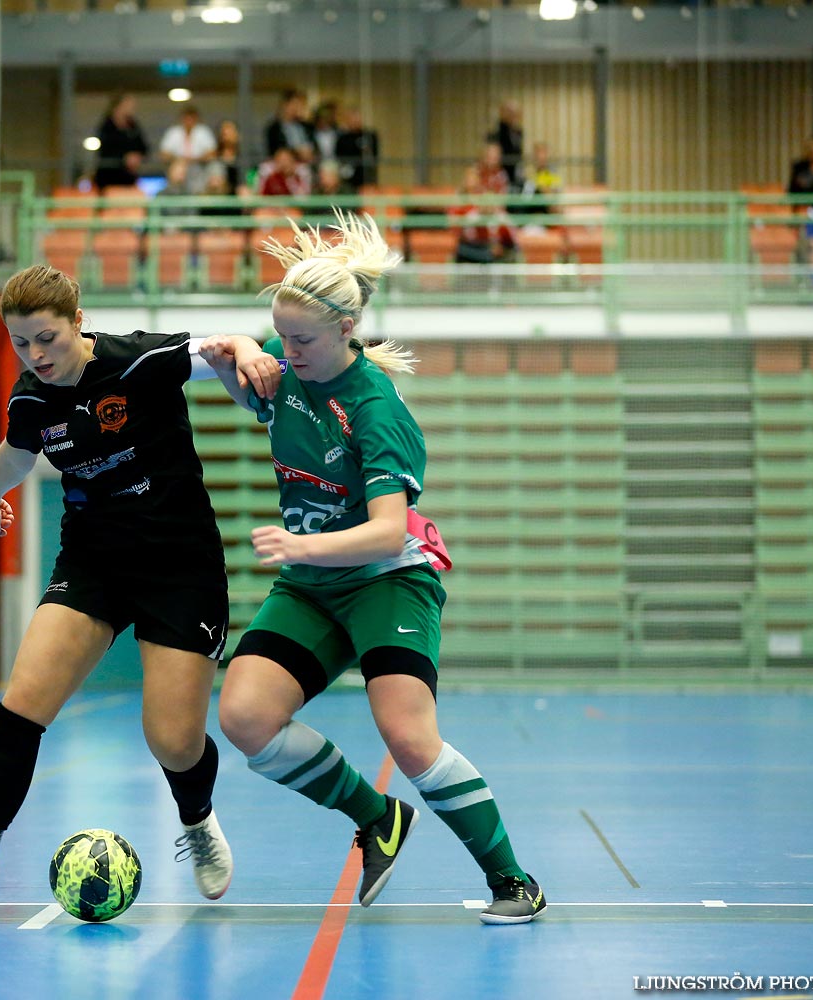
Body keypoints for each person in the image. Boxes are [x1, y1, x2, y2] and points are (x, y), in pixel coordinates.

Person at [198, 211, 546, 924]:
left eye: (300, 339)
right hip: (313, 584)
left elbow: (388, 533)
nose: (285, 350)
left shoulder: (376, 410)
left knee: (410, 739)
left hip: (386, 579)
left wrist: (300, 546)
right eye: (278, 334)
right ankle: (377, 817)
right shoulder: (283, 359)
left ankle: (514, 881)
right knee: (245, 715)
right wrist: (236, 345)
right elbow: (221, 362)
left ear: (344, 332)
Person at [0, 264, 280, 910]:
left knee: (172, 738)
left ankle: (198, 820)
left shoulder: (139, 361)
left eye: (46, 338)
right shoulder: (30, 397)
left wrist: (247, 348)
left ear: (78, 322)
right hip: (94, 563)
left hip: (179, 568)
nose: (36, 355)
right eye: (21, 343)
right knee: (23, 704)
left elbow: (214, 349)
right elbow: (19, 451)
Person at [94, 93, 148, 191]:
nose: (132, 107)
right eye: (128, 104)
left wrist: (136, 156)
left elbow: (144, 148)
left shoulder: (133, 126)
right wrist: (123, 158)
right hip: (108, 177)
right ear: (118, 105)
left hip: (128, 178)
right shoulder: (107, 126)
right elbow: (104, 150)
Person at [488, 100, 524, 189]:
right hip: (501, 169)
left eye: (514, 113)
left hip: (515, 169)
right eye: (509, 112)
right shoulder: (498, 132)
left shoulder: (518, 132)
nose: (512, 116)